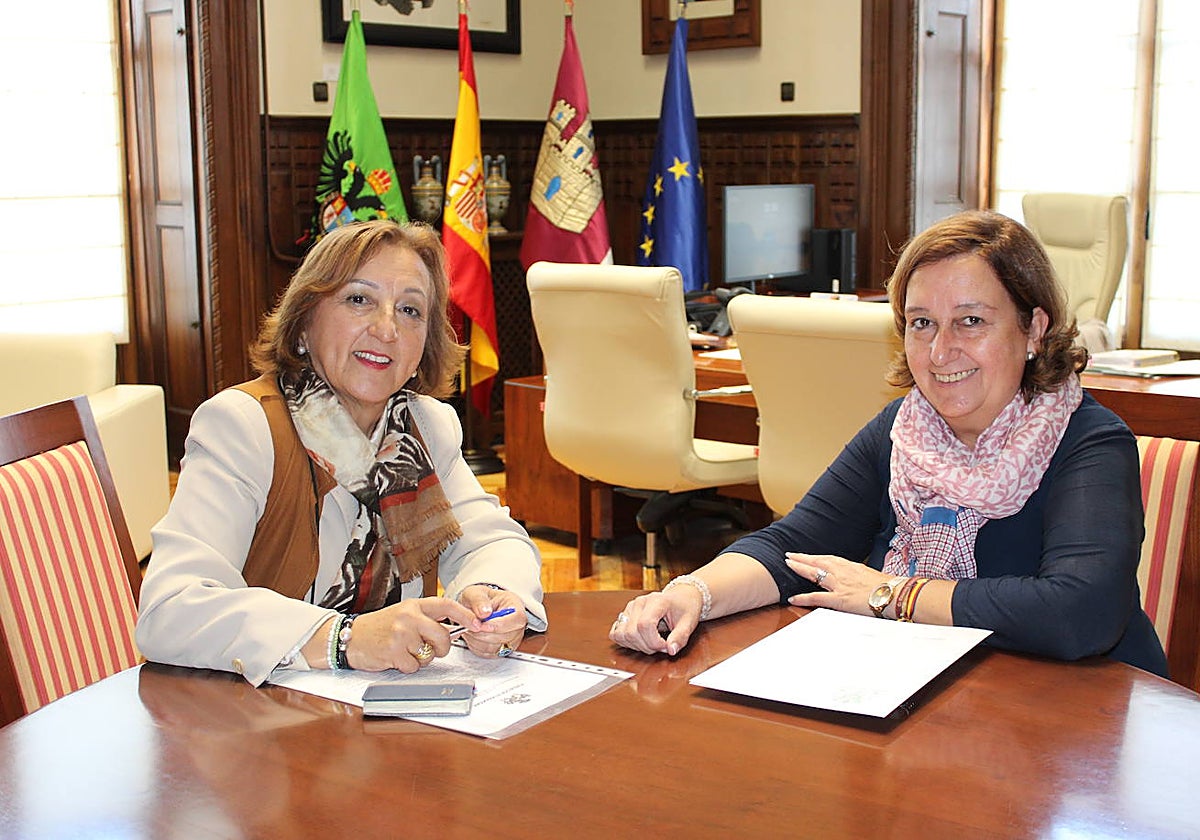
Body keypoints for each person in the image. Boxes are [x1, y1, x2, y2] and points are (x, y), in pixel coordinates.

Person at [610, 209, 1168, 677]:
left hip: (1076, 719)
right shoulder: (902, 428)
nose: (940, 351)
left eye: (971, 321)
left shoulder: (1089, 442)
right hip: (933, 693)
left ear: (1034, 328)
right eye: (922, 323)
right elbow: (793, 546)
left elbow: (1080, 612)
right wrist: (691, 593)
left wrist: (890, 595)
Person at [137, 219, 546, 686]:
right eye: (359, 300)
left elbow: (493, 542)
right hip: (256, 714)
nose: (387, 329)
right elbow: (170, 609)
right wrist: (343, 638)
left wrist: (491, 594)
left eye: (410, 310)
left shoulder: (425, 428)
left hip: (387, 712)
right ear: (303, 323)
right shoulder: (243, 426)